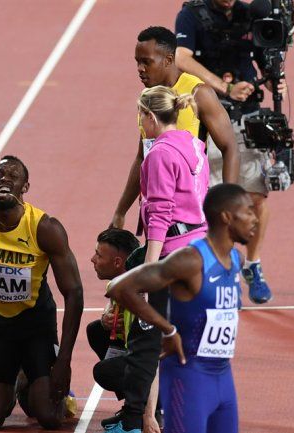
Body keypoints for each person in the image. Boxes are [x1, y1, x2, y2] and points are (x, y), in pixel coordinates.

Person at [107, 183, 259, 433]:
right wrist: (166, 330)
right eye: (248, 212)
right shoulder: (190, 260)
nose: (255, 220)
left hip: (224, 379)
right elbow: (119, 288)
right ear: (226, 217)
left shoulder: (236, 259)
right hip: (188, 380)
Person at [106, 86, 211, 433]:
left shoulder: (159, 154)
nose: (140, 124)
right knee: (187, 339)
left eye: (140, 117)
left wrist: (148, 274)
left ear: (149, 117)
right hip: (199, 249)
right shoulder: (195, 145)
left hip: (169, 256)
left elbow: (159, 217)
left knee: (147, 341)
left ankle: (144, 420)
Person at [175, 0, 283, 303]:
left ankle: (253, 264)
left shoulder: (252, 14)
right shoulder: (191, 14)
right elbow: (181, 58)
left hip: (248, 115)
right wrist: (225, 88)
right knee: (209, 202)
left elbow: (267, 57)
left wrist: (275, 81)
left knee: (256, 198)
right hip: (207, 115)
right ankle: (221, 267)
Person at [0, 156, 84, 430]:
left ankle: (28, 378)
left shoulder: (45, 228)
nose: (4, 180)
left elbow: (74, 293)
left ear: (25, 186)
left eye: (13, 176)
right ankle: (13, 378)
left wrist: (64, 361)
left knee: (47, 416)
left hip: (35, 325)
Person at [111, 26, 238, 232]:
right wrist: (121, 211)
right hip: (158, 211)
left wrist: (229, 203)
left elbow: (230, 147)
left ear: (169, 60)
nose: (140, 68)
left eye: (146, 62)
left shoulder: (199, 93)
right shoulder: (151, 98)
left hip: (190, 216)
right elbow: (143, 156)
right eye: (137, 62)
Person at [87, 229, 138, 422]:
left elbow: (149, 348)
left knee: (104, 371)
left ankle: (147, 410)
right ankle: (133, 404)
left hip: (157, 360)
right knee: (96, 330)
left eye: (99, 255)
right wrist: (108, 320)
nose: (92, 259)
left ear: (117, 262)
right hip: (138, 350)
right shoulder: (124, 281)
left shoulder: (130, 289)